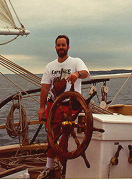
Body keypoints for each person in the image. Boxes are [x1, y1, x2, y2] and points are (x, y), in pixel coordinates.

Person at [37, 35, 90, 179]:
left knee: (66, 135)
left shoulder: (76, 61)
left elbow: (86, 73)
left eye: (63, 45)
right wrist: (42, 108)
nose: (61, 47)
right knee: (52, 136)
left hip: (70, 105)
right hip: (53, 105)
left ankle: (63, 167)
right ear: (55, 47)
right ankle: (48, 166)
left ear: (68, 47)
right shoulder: (50, 66)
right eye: (58, 45)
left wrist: (77, 74)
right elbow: (45, 88)